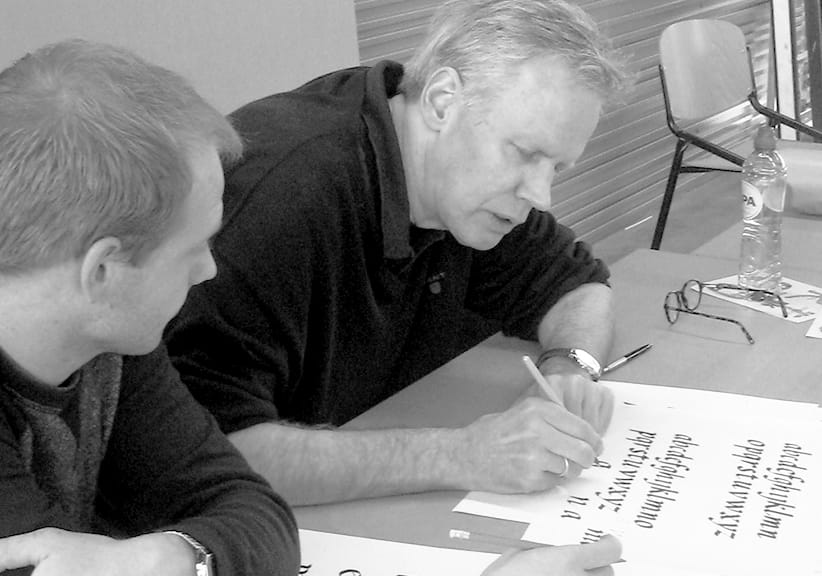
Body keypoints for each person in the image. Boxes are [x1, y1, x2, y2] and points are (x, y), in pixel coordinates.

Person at [166, 0, 628, 508]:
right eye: (525, 153)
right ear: (442, 101)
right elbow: (210, 452)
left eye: (557, 167)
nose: (541, 195)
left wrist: (570, 366)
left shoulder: (473, 189)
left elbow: (577, 283)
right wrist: (463, 455)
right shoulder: (288, 196)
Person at [0, 40, 299, 576]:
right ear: (103, 272)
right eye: (194, 246)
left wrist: (173, 557)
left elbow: (257, 513)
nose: (209, 269)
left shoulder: (112, 343)